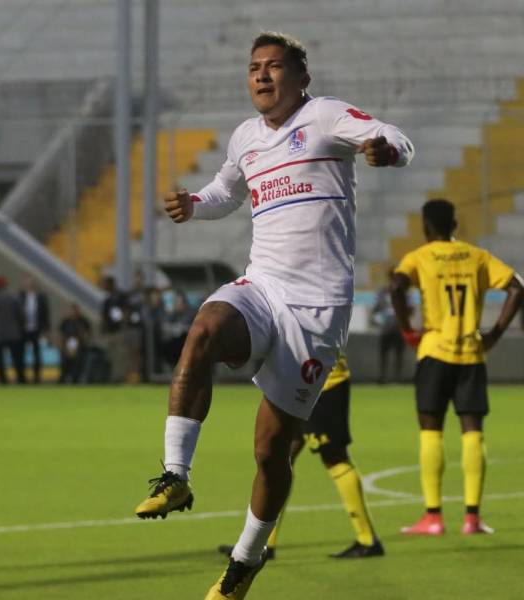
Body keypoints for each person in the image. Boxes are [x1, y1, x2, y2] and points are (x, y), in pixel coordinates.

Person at [132, 31, 413, 600]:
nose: (262, 76)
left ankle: (244, 563)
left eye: (274, 67)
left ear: (300, 78)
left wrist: (386, 149)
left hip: (318, 308)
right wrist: (193, 205)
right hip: (262, 285)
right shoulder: (244, 138)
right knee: (204, 328)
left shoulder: (328, 116)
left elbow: (395, 137)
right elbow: (226, 192)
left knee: (271, 451)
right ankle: (176, 475)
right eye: (254, 67)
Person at [390, 198, 523, 536]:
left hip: (434, 350)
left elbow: (396, 285)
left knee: (431, 431)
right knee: (472, 432)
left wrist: (407, 328)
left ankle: (433, 517)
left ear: (425, 226)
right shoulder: (477, 256)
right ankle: (472, 518)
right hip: (471, 353)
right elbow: (516, 287)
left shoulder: (418, 257)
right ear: (455, 225)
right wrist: (493, 333)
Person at [217, 353, 384, 561]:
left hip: (321, 381)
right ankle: (264, 543)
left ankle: (368, 540)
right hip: (297, 382)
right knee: (281, 456)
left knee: (334, 458)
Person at [371, 268, 407, 383]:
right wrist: (378, 320)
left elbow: (409, 309)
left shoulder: (403, 292)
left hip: (398, 327)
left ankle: (398, 377)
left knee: (398, 354)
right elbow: (375, 310)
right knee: (384, 354)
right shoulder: (382, 293)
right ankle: (383, 377)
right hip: (386, 328)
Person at [19, 274, 51, 383]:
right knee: (21, 354)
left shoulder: (41, 297)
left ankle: (37, 377)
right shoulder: (20, 296)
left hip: (36, 329)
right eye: (26, 281)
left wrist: (46, 329)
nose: (29, 284)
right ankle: (22, 378)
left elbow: (45, 314)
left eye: (30, 281)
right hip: (23, 329)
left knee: (36, 354)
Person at [58, 303, 92, 383]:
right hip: (67, 346)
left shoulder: (83, 321)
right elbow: (61, 334)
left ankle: (76, 379)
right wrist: (64, 347)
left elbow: (87, 334)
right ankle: (63, 379)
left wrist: (81, 341)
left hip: (79, 346)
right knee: (65, 364)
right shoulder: (65, 321)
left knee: (78, 364)